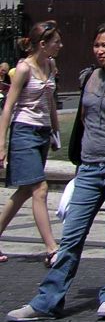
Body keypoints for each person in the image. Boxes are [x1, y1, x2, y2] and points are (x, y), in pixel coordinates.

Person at [7, 23, 105, 322]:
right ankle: (47, 302)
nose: (99, 50)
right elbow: (84, 120)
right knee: (70, 236)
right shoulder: (90, 78)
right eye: (96, 45)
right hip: (89, 168)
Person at [0, 23, 61, 266]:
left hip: (42, 132)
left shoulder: (51, 64)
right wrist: (2, 145)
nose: (60, 45)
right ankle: (52, 248)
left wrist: (56, 130)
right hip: (24, 131)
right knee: (40, 189)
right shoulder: (24, 69)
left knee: (25, 190)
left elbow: (51, 101)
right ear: (43, 44)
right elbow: (8, 108)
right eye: (56, 41)